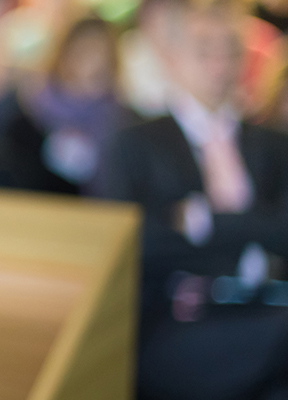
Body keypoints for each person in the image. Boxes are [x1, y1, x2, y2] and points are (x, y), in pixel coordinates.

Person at [99, 0, 288, 398]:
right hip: (175, 323)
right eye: (204, 50)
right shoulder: (135, 143)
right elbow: (136, 244)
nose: (220, 64)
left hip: (266, 307)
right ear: (172, 57)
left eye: (231, 50)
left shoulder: (272, 145)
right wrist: (254, 232)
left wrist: (206, 222)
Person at [26, 17, 138, 196]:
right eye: (84, 50)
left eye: (100, 53)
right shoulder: (32, 110)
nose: (92, 61)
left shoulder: (123, 120)